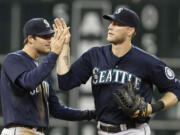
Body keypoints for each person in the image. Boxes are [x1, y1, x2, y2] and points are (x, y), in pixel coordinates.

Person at [56, 7, 180, 135]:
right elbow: (65, 82)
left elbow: (176, 89)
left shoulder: (146, 61)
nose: (110, 27)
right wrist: (64, 47)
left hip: (133, 130)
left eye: (117, 24)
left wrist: (152, 107)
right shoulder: (95, 55)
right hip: (102, 130)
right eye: (111, 23)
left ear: (130, 31)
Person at [0, 17, 95, 135]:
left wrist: (92, 114)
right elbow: (28, 82)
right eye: (45, 37)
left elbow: (57, 110)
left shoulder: (42, 69)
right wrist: (54, 53)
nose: (50, 40)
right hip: (19, 130)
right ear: (30, 39)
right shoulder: (13, 59)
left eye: (50, 36)